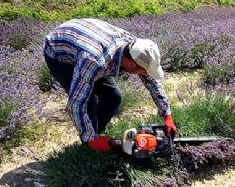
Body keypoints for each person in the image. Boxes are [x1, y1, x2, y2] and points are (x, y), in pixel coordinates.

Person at [43, 18, 178, 152]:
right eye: (144, 71)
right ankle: (89, 145)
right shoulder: (95, 61)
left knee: (113, 97)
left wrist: (167, 115)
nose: (146, 74)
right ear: (131, 64)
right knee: (87, 101)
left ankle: (94, 134)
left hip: (86, 42)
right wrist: (92, 140)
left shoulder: (135, 48)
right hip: (59, 53)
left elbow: (151, 81)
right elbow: (76, 103)